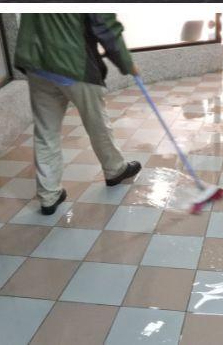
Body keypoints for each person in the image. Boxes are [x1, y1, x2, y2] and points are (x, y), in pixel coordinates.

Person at [14, 14, 143, 215]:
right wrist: (126, 63)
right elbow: (105, 25)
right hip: (73, 62)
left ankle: (49, 196)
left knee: (46, 132)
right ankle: (115, 170)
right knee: (97, 123)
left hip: (37, 63)